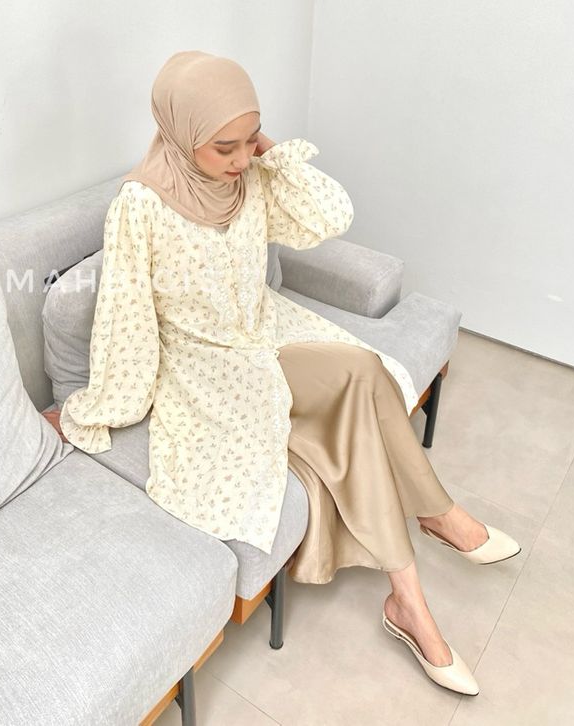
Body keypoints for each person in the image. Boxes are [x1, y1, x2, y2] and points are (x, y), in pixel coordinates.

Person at [42, 50, 521, 696]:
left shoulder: (250, 178)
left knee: (364, 378)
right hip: (209, 369)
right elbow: (125, 318)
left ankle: (413, 586)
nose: (241, 159)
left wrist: (270, 154)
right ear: (180, 133)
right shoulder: (140, 206)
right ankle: (430, 535)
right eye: (225, 147)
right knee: (360, 375)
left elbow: (331, 216)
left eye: (251, 138)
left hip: (267, 332)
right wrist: (94, 407)